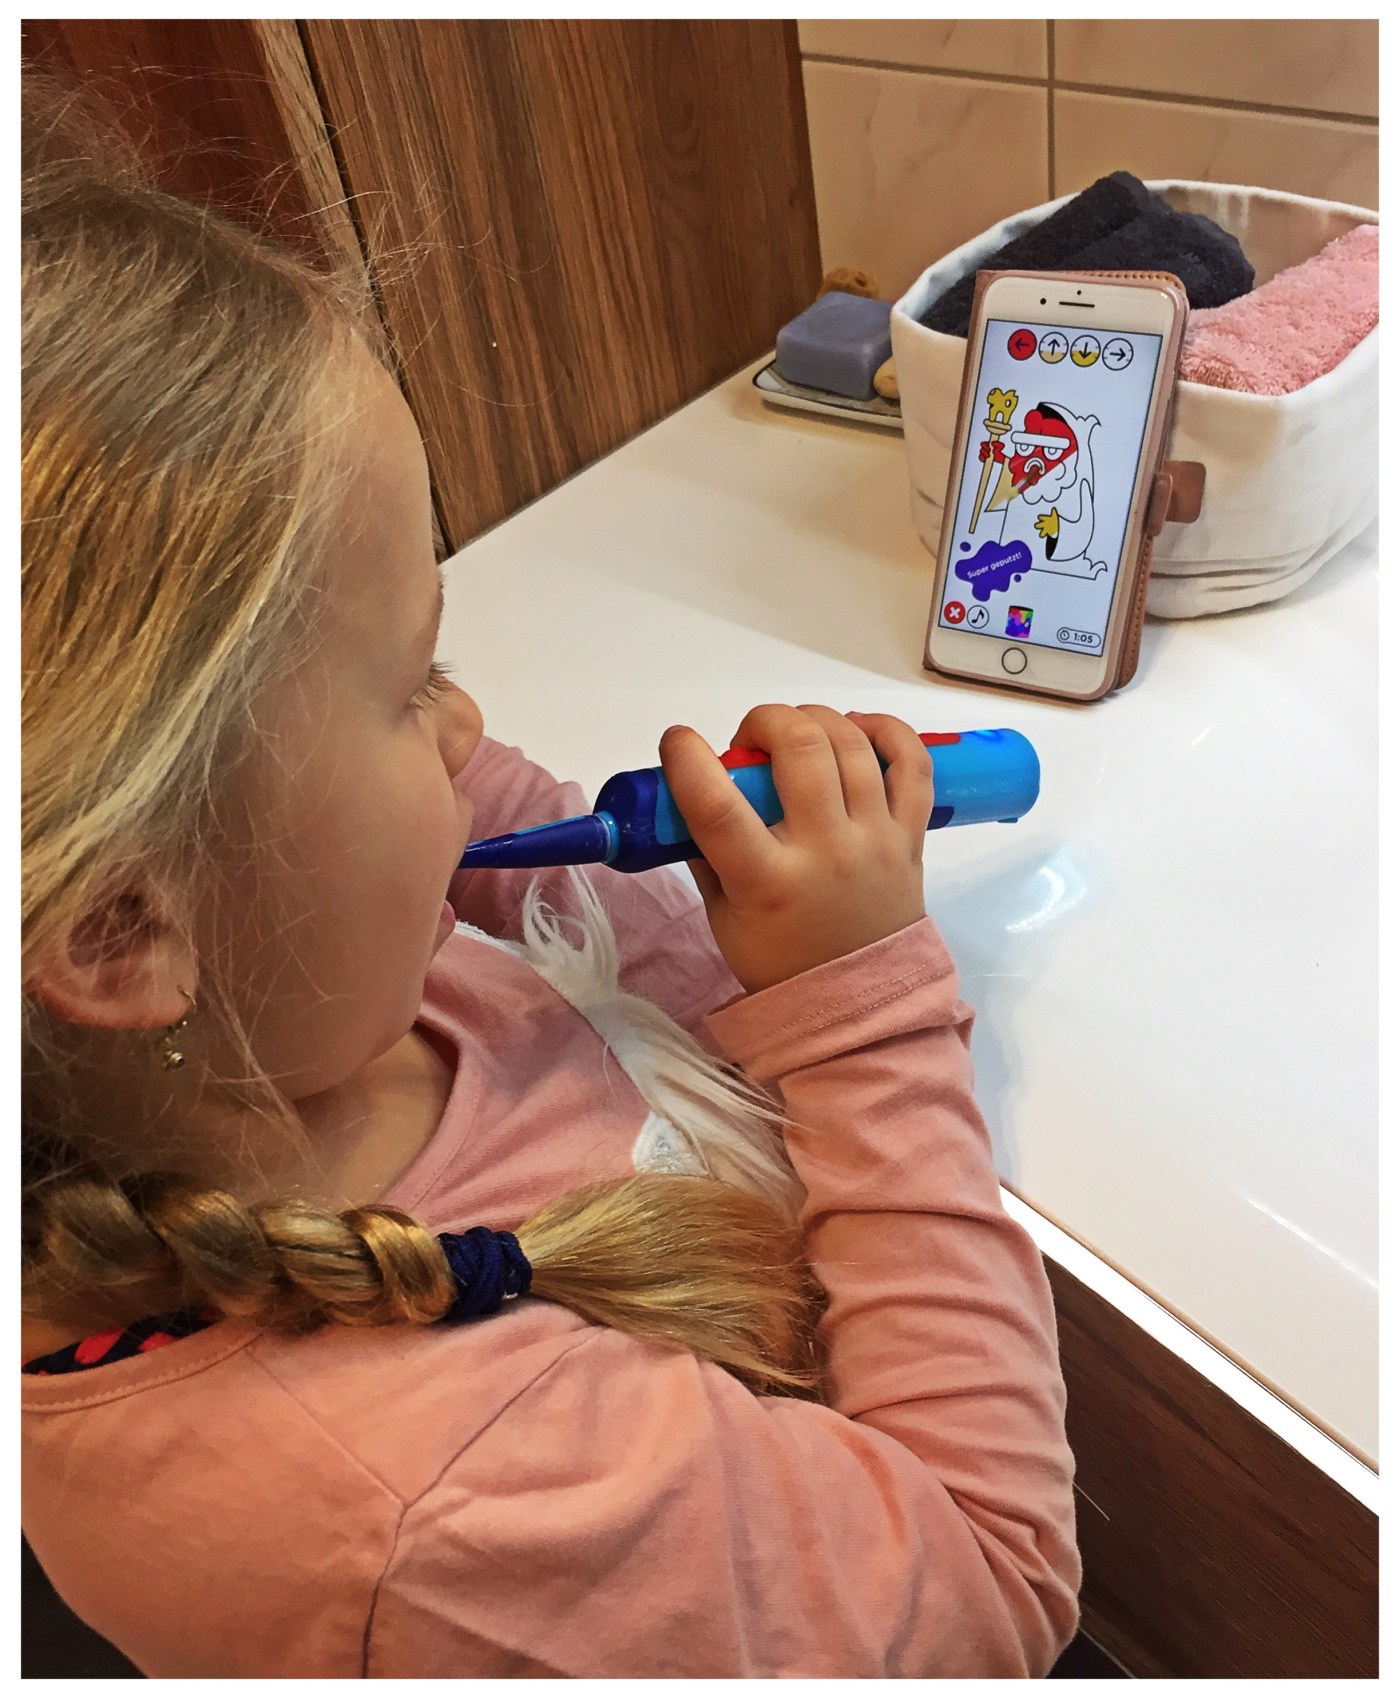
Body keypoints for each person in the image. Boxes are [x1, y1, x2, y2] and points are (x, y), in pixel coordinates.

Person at [20, 73, 1081, 1678]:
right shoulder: (458, 1504)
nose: (467, 730)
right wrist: (859, 1007)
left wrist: (732, 876)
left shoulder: (256, 1018)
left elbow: (472, 834)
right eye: (412, 682)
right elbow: (985, 1590)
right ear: (118, 926)